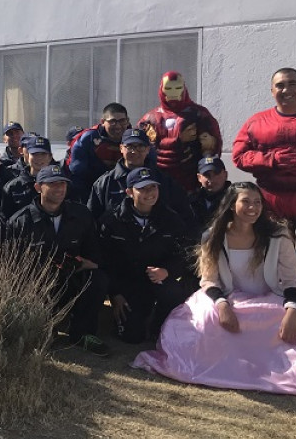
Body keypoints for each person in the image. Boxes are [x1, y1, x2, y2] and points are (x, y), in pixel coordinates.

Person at [133, 182, 296, 395]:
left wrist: (292, 311)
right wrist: (222, 305)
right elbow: (210, 280)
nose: (252, 207)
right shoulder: (212, 236)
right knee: (201, 324)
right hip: (229, 299)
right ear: (231, 205)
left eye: (257, 202)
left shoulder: (278, 236)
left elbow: (293, 279)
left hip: (270, 300)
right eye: (245, 201)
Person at [233, 67, 296, 313]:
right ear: (272, 91)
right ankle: (275, 313)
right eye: (280, 85)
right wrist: (270, 159)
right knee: (272, 261)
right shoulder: (257, 122)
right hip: (271, 202)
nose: (286, 90)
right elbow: (239, 155)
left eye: (292, 84)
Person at [7, 165, 109, 356]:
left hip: (74, 277)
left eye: (62, 183)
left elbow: (94, 254)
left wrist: (83, 263)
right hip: (40, 284)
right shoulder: (20, 221)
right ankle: (44, 328)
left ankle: (82, 333)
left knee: (98, 279)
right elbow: (15, 267)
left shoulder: (81, 214)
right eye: (52, 184)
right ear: (38, 188)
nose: (59, 188)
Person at [98, 167, 194, 344]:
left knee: (173, 293)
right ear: (129, 192)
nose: (149, 193)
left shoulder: (171, 219)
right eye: (142, 188)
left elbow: (184, 254)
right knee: (132, 337)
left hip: (158, 280)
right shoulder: (112, 220)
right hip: (127, 283)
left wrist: (167, 271)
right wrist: (115, 293)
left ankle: (160, 326)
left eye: (153, 187)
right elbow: (104, 260)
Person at [138, 71, 222, 194]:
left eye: (177, 88)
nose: (173, 93)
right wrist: (178, 140)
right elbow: (140, 147)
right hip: (158, 183)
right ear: (162, 89)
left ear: (184, 89)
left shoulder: (199, 115)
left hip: (191, 183)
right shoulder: (150, 118)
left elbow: (211, 150)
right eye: (168, 88)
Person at [88, 128, 189, 221]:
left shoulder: (163, 180)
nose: (134, 151)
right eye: (130, 146)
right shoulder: (105, 183)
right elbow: (91, 220)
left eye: (140, 146)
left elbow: (183, 214)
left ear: (148, 149)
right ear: (121, 148)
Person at [67, 103, 130, 202]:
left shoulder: (135, 139)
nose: (118, 126)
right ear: (103, 122)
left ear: (127, 121)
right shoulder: (87, 138)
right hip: (91, 189)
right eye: (112, 121)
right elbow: (76, 174)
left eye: (122, 121)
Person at [0, 136, 54, 219]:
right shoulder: (13, 187)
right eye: (35, 154)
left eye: (43, 154)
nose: (39, 158)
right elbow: (6, 220)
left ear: (50, 157)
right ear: (28, 156)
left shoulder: (59, 184)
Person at [189, 156, 231, 237]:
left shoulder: (235, 199)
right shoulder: (191, 202)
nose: (212, 179)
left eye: (216, 173)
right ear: (199, 177)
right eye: (207, 175)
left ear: (225, 175)